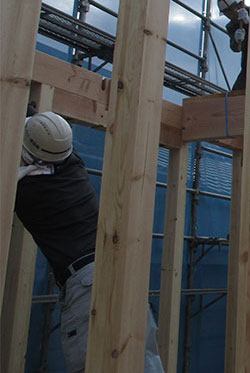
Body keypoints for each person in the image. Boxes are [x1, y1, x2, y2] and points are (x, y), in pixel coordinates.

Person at [16, 110, 163, 373]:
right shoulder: (72, 165)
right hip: (119, 269)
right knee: (144, 361)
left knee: (95, 363)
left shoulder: (30, 191)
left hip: (88, 283)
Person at [217, 0, 250, 90]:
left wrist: (249, 24)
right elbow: (236, 48)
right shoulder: (232, 26)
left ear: (239, 6)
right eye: (227, 14)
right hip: (248, 65)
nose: (230, 16)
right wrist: (236, 41)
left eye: (230, 12)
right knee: (236, 94)